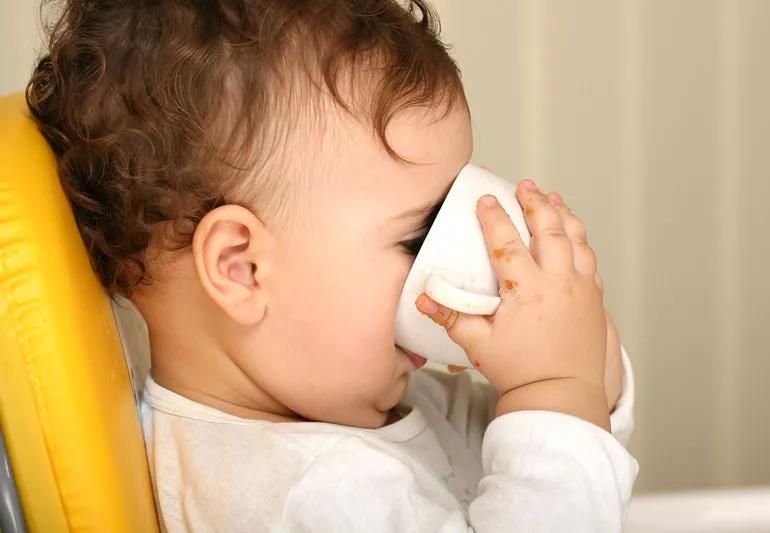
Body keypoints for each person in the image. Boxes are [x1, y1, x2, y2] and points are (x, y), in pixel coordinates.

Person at [26, 0, 637, 530]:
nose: (452, 250)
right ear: (242, 267)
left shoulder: (351, 394)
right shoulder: (299, 497)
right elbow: (556, 462)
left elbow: (533, 453)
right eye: (417, 236)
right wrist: (555, 389)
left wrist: (575, 362)